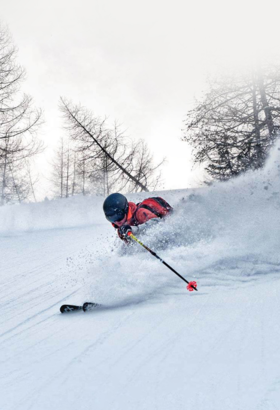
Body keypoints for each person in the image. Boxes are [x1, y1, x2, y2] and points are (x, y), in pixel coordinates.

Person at [103, 193, 173, 242]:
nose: (116, 221)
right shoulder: (121, 230)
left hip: (170, 221)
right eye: (111, 218)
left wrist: (135, 230)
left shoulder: (140, 213)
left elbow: (158, 223)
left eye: (118, 216)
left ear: (126, 210)